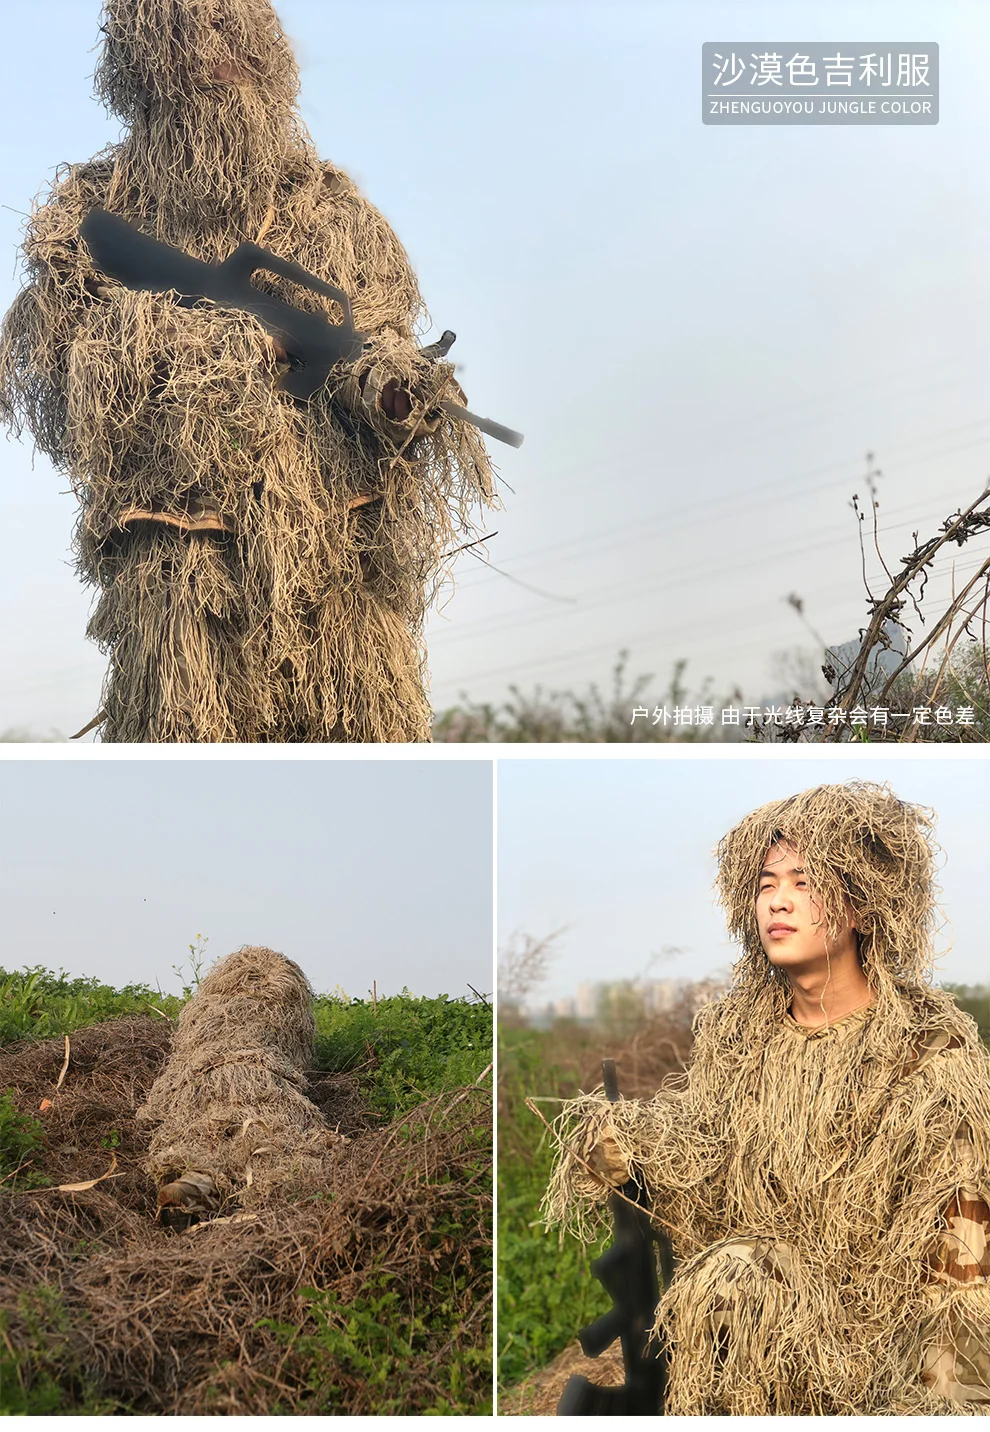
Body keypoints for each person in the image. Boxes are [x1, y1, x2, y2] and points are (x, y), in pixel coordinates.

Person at [0, 0, 493, 742]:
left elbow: (372, 332)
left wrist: (392, 389)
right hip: (180, 570)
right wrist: (229, 346)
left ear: (269, 59)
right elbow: (69, 377)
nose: (208, 59)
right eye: (180, 43)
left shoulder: (328, 210)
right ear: (137, 72)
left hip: (337, 566)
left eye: (229, 37)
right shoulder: (90, 217)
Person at [545, 781, 990, 1414]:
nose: (777, 902)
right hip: (740, 1342)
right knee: (736, 1278)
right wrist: (628, 1145)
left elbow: (961, 1268)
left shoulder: (930, 1059)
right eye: (764, 884)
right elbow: (701, 1155)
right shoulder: (738, 1039)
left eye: (803, 883)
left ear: (862, 905)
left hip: (868, 1358)